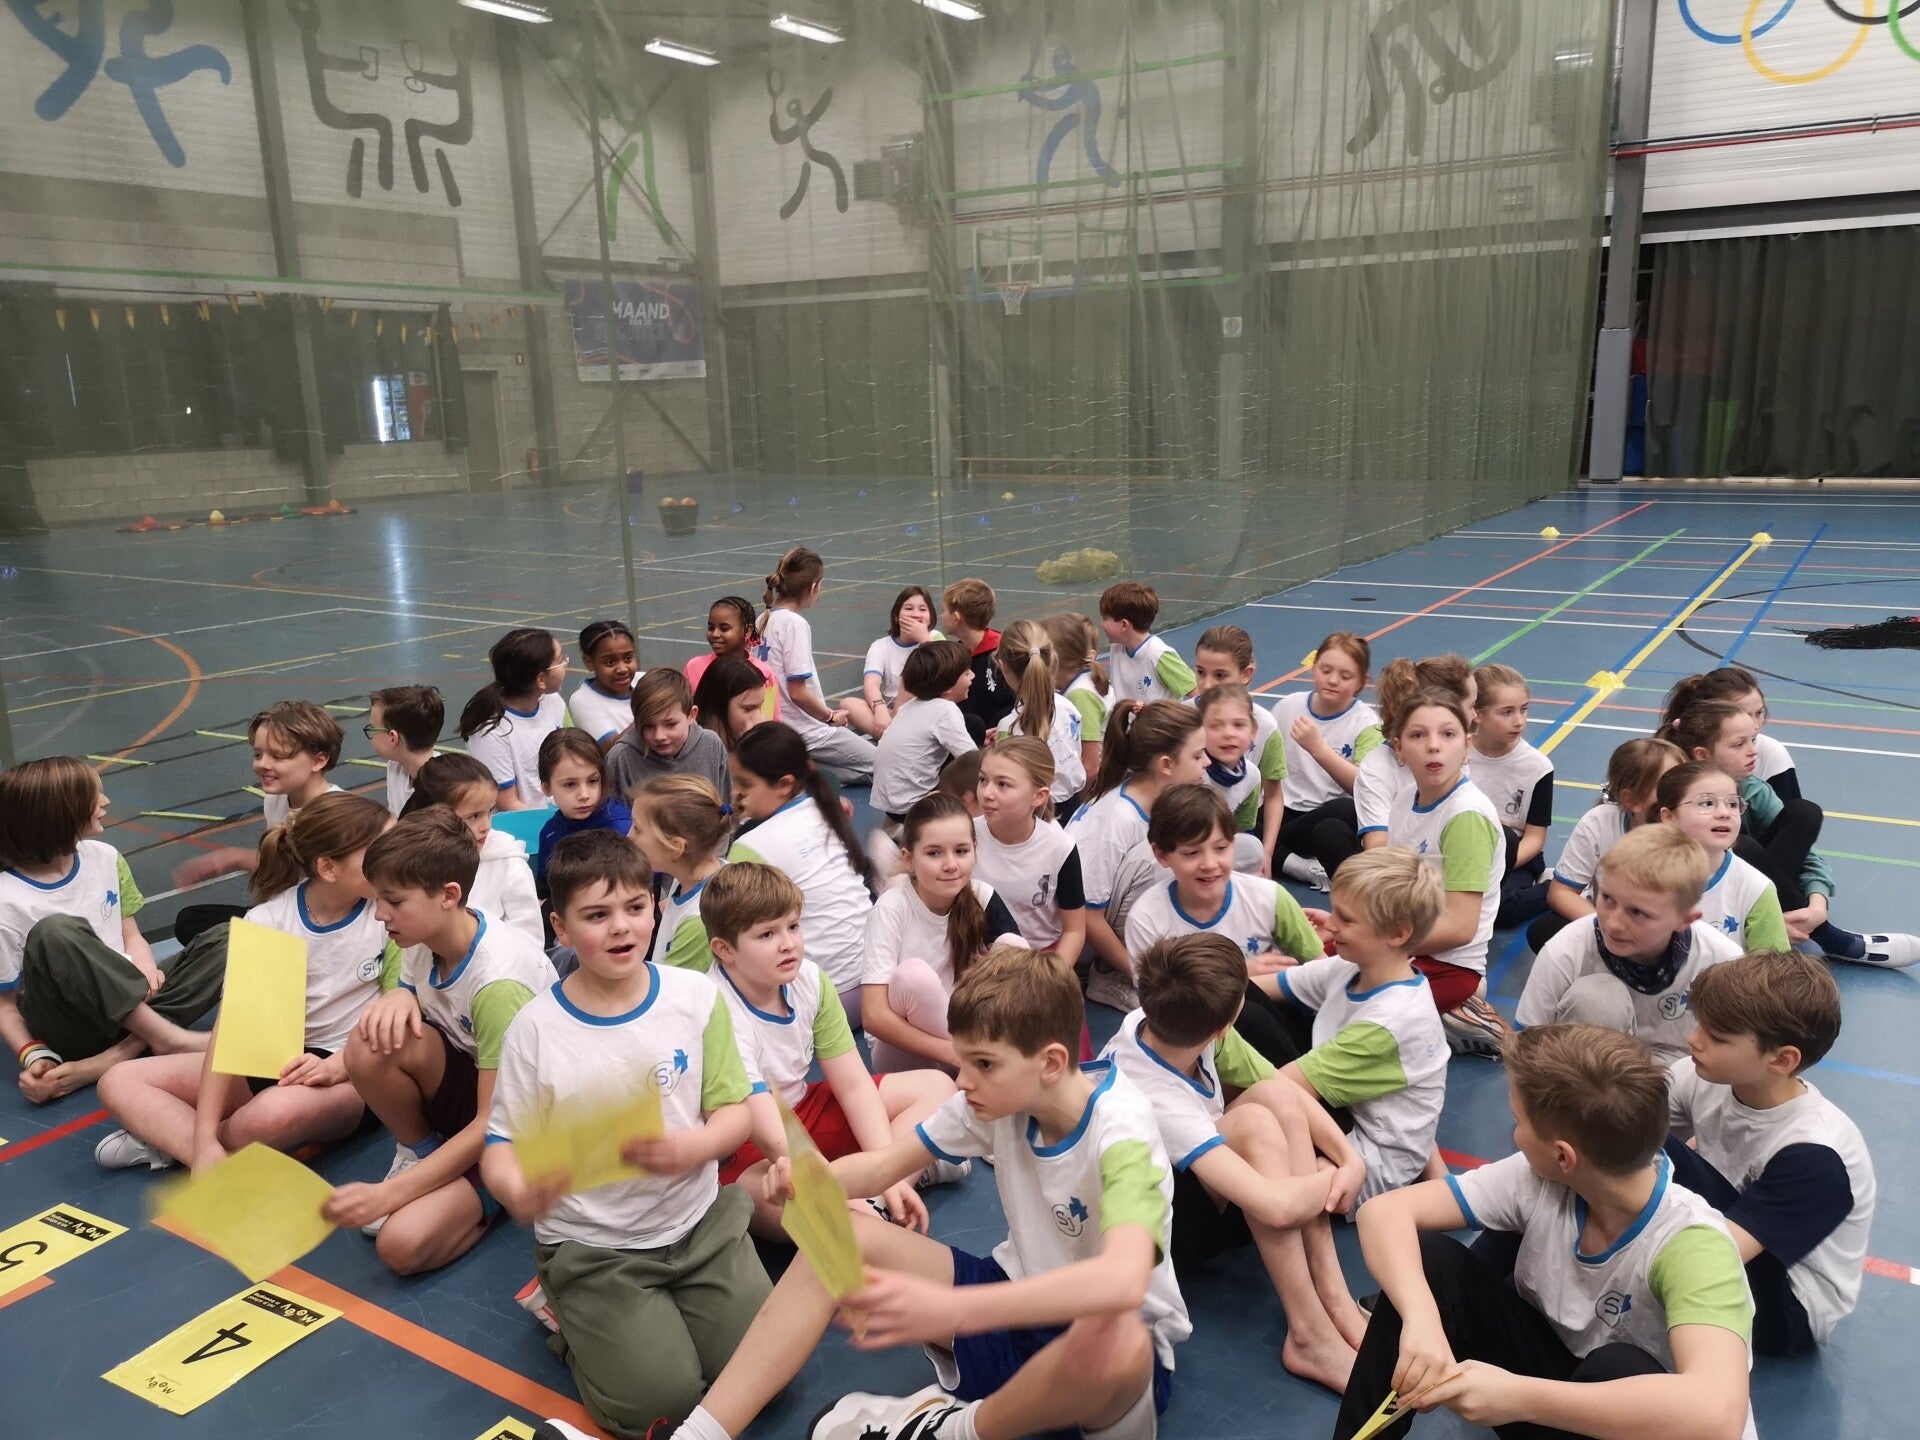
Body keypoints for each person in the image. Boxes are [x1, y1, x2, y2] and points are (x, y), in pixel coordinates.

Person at [641, 946, 1189, 1440]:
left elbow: (1121, 1281)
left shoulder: (1124, 1134)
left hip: (1103, 1359)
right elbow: (882, 1168)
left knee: (1116, 1339)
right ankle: (699, 1435)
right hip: (1009, 1305)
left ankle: (950, 1430)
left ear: (1050, 1063)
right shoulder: (994, 1101)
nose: (963, 1079)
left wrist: (955, 1307)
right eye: (963, 1059)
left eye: (983, 1064)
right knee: (843, 1233)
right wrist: (811, 1181)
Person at [1333, 1024, 1755, 1440]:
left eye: (1518, 1122)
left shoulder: (1692, 1244)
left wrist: (1519, 1397)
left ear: (1563, 1156)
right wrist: (1422, 1320)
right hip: (1561, 1383)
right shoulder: (1541, 1177)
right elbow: (1384, 1213)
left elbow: (1716, 1417)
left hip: (1639, 1422)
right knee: (1432, 1265)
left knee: (1619, 1366)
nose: (1514, 1136)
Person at [482, 830, 768, 1437]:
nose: (620, 927)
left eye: (635, 907)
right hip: (596, 1248)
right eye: (596, 916)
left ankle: (653, 1321)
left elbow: (735, 1109)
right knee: (659, 1409)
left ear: (655, 908)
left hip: (699, 1225)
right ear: (560, 928)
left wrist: (698, 1146)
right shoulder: (535, 1029)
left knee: (762, 1375)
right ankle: (568, 1313)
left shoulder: (694, 997)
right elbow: (501, 1142)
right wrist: (515, 1190)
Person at [1104, 933, 1367, 1392]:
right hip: (1161, 1234)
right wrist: (1326, 1179)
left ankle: (1333, 1296)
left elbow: (1280, 1090)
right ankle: (1309, 1334)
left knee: (1269, 1096)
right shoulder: (1154, 1099)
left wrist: (1349, 1158)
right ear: (1227, 1024)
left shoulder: (1165, 1025)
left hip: (1195, 1184)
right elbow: (1276, 1208)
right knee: (1255, 1124)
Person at [95, 792, 396, 1170]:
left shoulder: (388, 912)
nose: (395, 859)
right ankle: (202, 1154)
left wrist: (342, 1063)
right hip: (275, 1060)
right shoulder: (269, 922)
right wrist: (203, 1138)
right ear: (328, 868)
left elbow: (400, 1011)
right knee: (118, 1081)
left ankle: (166, 1137)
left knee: (270, 1115)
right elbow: (231, 1032)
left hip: (352, 1072)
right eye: (380, 852)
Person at [323, 808, 550, 1273]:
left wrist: (388, 1196)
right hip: (480, 1084)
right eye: (378, 898)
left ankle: (494, 1192)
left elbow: (493, 1121)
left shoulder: (498, 986)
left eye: (394, 901)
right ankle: (422, 1154)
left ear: (449, 895)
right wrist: (400, 994)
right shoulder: (423, 935)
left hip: (526, 1127)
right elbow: (409, 988)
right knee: (369, 1040)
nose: (380, 913)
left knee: (400, 1247)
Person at [703, 861, 960, 1235]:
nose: (788, 943)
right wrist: (830, 1184)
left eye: (793, 926)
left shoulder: (809, 979)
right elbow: (767, 1129)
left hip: (804, 1108)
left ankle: (878, 1200)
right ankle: (897, 1185)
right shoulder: (715, 1009)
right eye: (767, 934)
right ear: (724, 950)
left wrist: (885, 1172)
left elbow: (853, 1085)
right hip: (749, 1148)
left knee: (939, 1088)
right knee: (809, 1211)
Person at [1668, 951, 1875, 1355]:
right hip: (1735, 1229)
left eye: (1718, 1037)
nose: (1694, 1039)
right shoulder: (1700, 1075)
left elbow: (1716, 1254)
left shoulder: (1817, 1155)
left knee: (1643, 1149)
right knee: (1627, 1131)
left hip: (1788, 1303)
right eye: (1700, 1024)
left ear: (1781, 1059)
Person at [1, 756, 221, 1106]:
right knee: (55, 931)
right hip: (73, 1024)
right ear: (58, 813)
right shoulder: (6, 898)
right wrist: (33, 1053)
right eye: (93, 797)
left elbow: (131, 936)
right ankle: (166, 1038)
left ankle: (117, 1055)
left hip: (131, 1005)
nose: (105, 802)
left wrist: (146, 968)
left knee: (231, 936)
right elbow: (6, 1006)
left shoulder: (106, 857)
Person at [1662, 699, 1918, 968]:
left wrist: (1817, 905)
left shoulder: (1754, 789)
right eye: (1739, 744)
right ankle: (1833, 939)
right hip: (1702, 894)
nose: (1753, 751)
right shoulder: (1674, 792)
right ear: (1702, 754)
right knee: (1742, 846)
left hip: (1752, 886)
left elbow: (1808, 857)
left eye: (1753, 741)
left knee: (1804, 813)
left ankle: (1800, 924)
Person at [1260, 847, 1449, 1200]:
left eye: (1345, 919)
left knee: (1246, 1143)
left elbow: (1275, 1090)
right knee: (1252, 1008)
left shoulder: (1388, 1023)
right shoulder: (1354, 968)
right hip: (1356, 1114)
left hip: (1371, 1161)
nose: (1330, 925)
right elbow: (1256, 989)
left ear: (1397, 934)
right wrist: (1240, 971)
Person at [1123, 786, 1324, 1060]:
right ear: (1161, 855)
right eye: (1191, 853)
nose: (1209, 864)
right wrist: (1240, 977)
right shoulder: (1147, 919)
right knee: (1243, 1008)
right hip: (1200, 1033)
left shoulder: (1268, 896)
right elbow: (1158, 1010)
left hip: (1278, 1020)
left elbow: (1325, 970)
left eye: (1221, 848)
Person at [1517, 826, 1742, 1064]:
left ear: (1684, 919)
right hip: (1591, 1072)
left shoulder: (1723, 961)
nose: (1613, 924)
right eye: (1607, 899)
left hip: (1678, 1071)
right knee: (1596, 998)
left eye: (1637, 912)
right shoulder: (1565, 950)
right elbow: (1527, 1047)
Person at [862, 793, 1028, 1074]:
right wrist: (955, 1053)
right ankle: (987, 1064)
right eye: (934, 853)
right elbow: (874, 1016)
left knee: (1015, 947)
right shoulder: (892, 908)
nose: (950, 864)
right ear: (908, 859)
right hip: (908, 1053)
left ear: (975, 850)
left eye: (961, 851)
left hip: (964, 1032)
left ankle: (993, 1060)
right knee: (914, 976)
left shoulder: (982, 896)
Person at [1383, 687, 1507, 1054]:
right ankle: (1442, 1015)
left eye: (1448, 734)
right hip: (1405, 945)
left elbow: (1460, 928)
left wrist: (1377, 941)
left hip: (1450, 966)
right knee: (1315, 965)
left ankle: (1465, 1012)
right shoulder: (1405, 799)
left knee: (1353, 1010)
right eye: (1418, 735)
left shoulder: (1465, 816)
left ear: (1467, 745)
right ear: (1399, 748)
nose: (1434, 746)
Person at [727, 724, 872, 1019]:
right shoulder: (824, 808)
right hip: (874, 982)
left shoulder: (751, 847)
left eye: (745, 784)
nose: (735, 793)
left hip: (825, 1001)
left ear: (785, 784)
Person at [1068, 701, 1207, 1010]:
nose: (1207, 762)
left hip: (1103, 918)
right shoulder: (1117, 819)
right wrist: (1141, 975)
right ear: (1166, 765)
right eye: (1198, 756)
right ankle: (1110, 973)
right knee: (1161, 857)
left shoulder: (1152, 797)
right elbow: (1086, 917)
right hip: (1081, 939)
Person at [170, 700, 347, 910]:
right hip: (286, 909)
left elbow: (342, 890)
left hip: (314, 917)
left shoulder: (336, 816)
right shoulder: (276, 798)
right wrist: (230, 858)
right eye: (258, 754)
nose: (262, 764)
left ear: (318, 761)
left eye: (278, 756)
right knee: (191, 918)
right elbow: (282, 864)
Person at [1530, 736, 1684, 956]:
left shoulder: (1693, 828)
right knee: (1545, 930)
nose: (1679, 794)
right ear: (1631, 800)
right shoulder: (1600, 822)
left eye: (1682, 783)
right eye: (1666, 786)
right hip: (1613, 925)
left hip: (1669, 933)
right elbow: (1561, 893)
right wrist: (1609, 927)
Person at [758, 546, 877, 783]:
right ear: (813, 587)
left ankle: (801, 769)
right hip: (808, 731)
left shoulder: (763, 618)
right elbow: (798, 692)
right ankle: (804, 770)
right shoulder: (795, 624)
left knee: (847, 770)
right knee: (886, 764)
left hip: (778, 730)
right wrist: (830, 717)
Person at [1270, 632, 1378, 890]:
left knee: (1346, 810)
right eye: (1325, 670)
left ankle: (1278, 854)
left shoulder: (1367, 723)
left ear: (1362, 682)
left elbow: (1366, 789)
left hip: (1323, 815)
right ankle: (1301, 867)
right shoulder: (1287, 706)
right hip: (1281, 812)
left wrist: (1319, 749)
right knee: (1234, 819)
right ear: (1313, 668)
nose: (1332, 680)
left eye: (1345, 676)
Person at [401, 754, 542, 948]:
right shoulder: (410, 861)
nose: (486, 826)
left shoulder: (508, 863)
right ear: (435, 815)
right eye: (474, 816)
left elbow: (530, 942)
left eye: (490, 811)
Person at [972, 739, 1086, 965]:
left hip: (1038, 961)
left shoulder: (1060, 847)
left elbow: (1074, 930)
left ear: (1039, 796)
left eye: (1003, 784)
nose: (987, 793)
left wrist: (1052, 977)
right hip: (976, 958)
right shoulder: (965, 835)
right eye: (983, 780)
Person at [1653, 763, 1789, 952]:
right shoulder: (1636, 876)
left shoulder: (1756, 889)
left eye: (1733, 804)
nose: (1725, 813)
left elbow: (1771, 967)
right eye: (1707, 803)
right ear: (1669, 817)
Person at [1191, 626, 1289, 872]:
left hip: (1232, 826)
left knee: (1252, 850)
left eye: (1220, 675)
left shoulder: (1265, 726)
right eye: (1200, 672)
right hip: (1184, 832)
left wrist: (1266, 855)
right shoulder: (1182, 719)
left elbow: (1273, 794)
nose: (1207, 684)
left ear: (1246, 674)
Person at [1468, 662, 1553, 928]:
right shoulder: (1458, 752)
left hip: (1515, 856)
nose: (1519, 721)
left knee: (1499, 909)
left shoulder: (1538, 767)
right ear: (1477, 713)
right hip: (1465, 849)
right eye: (1506, 712)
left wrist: (1497, 865)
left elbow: (1535, 837)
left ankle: (1553, 887)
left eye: (1524, 709)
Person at [459, 627, 571, 810]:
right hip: (524, 821)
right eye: (560, 660)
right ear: (541, 680)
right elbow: (508, 804)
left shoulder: (553, 702)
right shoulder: (491, 732)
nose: (565, 664)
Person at [628, 775, 730, 973]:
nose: (629, 836)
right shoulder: (689, 876)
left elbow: (670, 987)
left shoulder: (700, 922)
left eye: (638, 829)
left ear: (676, 848)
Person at [871, 640, 978, 822]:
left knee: (973, 726)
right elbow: (971, 759)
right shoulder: (945, 710)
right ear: (948, 687)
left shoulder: (909, 706)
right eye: (967, 673)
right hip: (913, 808)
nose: (973, 676)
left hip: (891, 806)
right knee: (977, 770)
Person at [1661, 667, 1797, 802]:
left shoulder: (1771, 753)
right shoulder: (1671, 758)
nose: (1754, 726)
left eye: (1759, 713)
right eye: (1744, 714)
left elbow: (1790, 813)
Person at [990, 621, 1086, 807]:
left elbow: (1004, 778)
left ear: (1003, 666)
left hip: (1033, 811)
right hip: (1072, 804)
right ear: (1051, 659)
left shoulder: (1008, 726)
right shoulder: (1068, 706)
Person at [605, 668, 733, 805]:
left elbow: (726, 804)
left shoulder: (711, 744)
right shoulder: (621, 758)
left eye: (670, 724)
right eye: (648, 726)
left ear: (691, 715)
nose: (659, 736)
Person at [534, 729, 633, 884]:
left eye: (593, 781)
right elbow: (546, 889)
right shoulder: (550, 832)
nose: (584, 795)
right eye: (570, 784)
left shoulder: (624, 828)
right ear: (547, 788)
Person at [1193, 683, 1273, 875]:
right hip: (1183, 850)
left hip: (1215, 851)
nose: (1228, 734)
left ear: (1253, 731)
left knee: (1253, 848)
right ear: (1200, 730)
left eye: (1238, 725)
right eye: (1215, 726)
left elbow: (1242, 830)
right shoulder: (1194, 774)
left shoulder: (1252, 776)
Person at [844, 584, 941, 738]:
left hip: (925, 709)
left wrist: (924, 640)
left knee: (911, 679)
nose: (916, 614)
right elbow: (871, 683)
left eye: (922, 609)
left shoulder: (935, 638)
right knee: (848, 704)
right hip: (891, 714)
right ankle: (896, 736)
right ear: (896, 616)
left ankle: (894, 738)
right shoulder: (880, 646)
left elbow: (944, 671)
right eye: (908, 609)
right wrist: (879, 709)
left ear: (931, 617)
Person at [941, 577, 1016, 743]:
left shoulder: (1002, 652)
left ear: (956, 617)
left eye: (944, 610)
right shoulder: (958, 653)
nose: (942, 615)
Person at [1044, 611, 1108, 796]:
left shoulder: (1080, 695)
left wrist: (1080, 801)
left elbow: (1091, 766)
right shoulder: (1083, 682)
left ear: (1053, 660)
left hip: (1096, 789)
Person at [1100, 580, 1195, 704]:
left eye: (1105, 619)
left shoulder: (1159, 655)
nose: (1102, 625)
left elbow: (1198, 695)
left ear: (1124, 625)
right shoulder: (1117, 648)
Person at [367, 684, 444, 816]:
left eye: (373, 728)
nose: (372, 733)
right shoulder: (395, 765)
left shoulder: (441, 789)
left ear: (393, 738)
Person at [569, 618, 641, 752]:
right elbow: (612, 748)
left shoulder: (645, 680)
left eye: (628, 658)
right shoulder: (583, 700)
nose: (622, 669)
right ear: (589, 662)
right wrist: (652, 714)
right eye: (610, 662)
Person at [684, 595, 775, 696]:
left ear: (747, 630)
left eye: (724, 629)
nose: (715, 634)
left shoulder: (764, 672)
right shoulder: (694, 667)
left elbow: (770, 706)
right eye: (711, 628)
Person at [691, 654, 774, 756]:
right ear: (719, 706)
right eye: (748, 709)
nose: (761, 720)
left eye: (760, 707)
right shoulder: (697, 753)